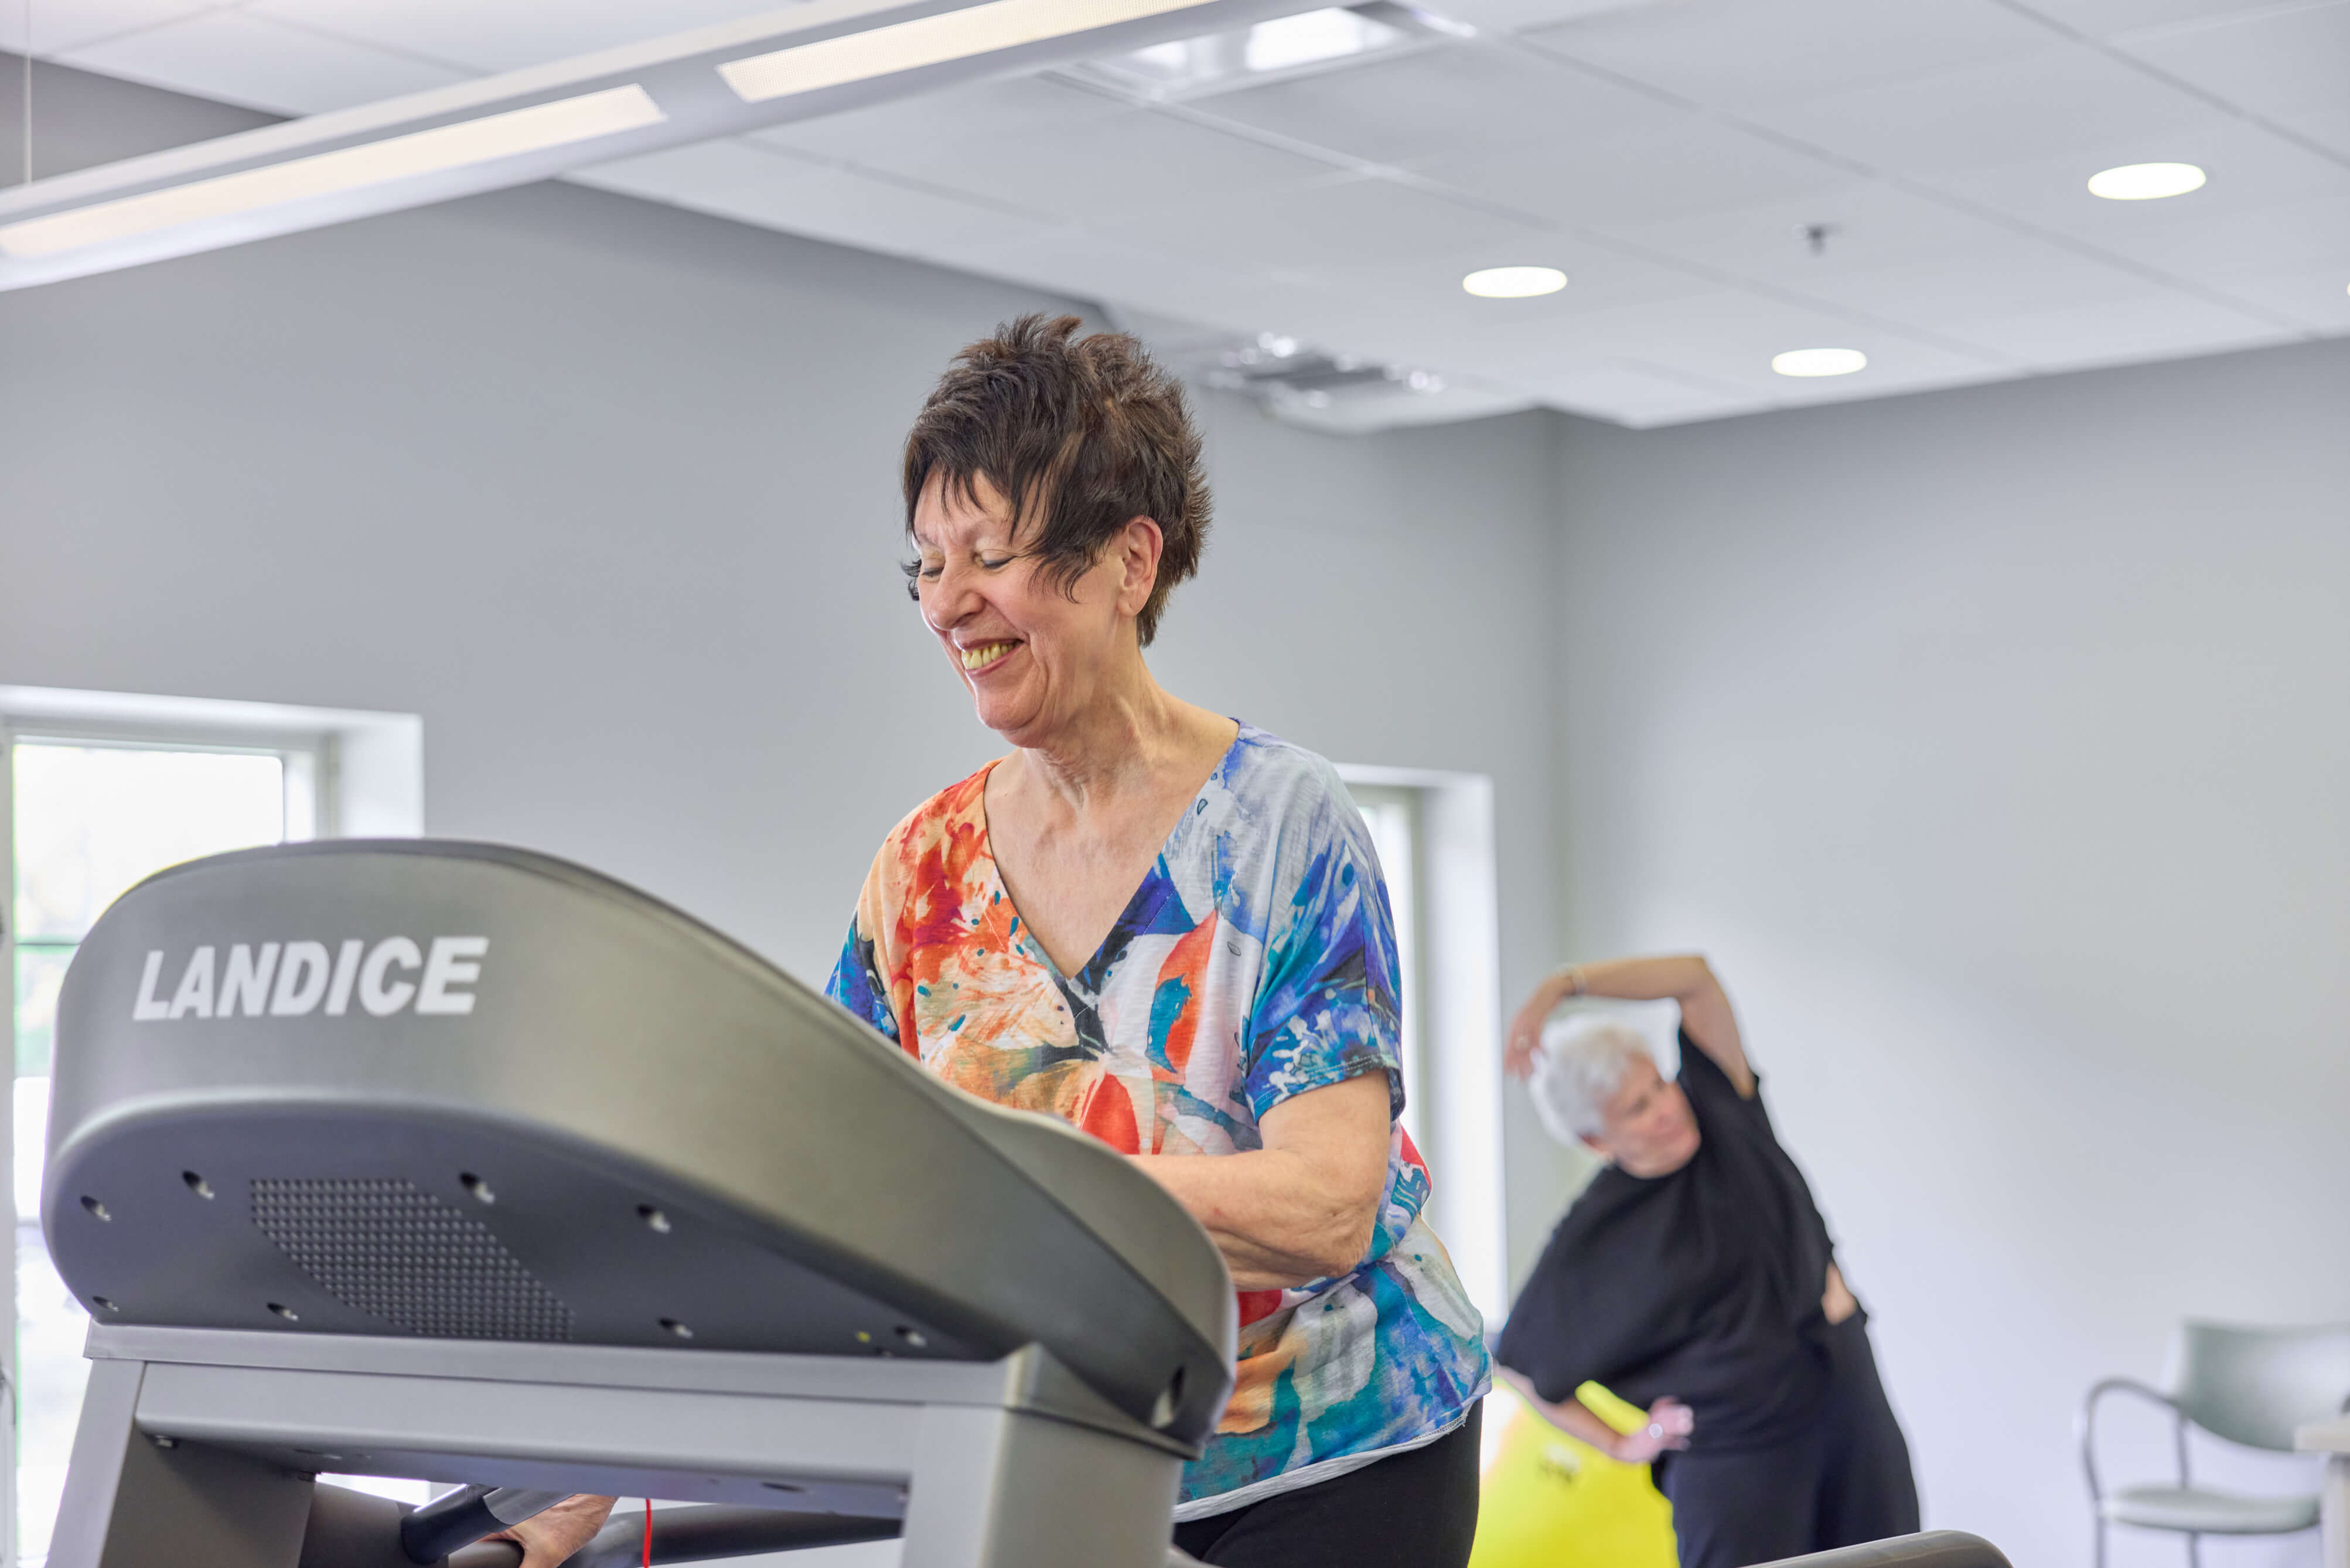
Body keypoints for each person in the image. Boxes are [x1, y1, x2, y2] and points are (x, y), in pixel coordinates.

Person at [496, 316, 1489, 1568]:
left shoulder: (1283, 824)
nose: (948, 601)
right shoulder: (922, 876)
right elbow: (810, 1194)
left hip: (1331, 1451)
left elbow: (1326, 1209)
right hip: (1064, 1442)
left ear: (1130, 562)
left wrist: (988, 1197)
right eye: (923, 562)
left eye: (990, 552)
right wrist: (590, 1471)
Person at [1493, 954, 1918, 1568]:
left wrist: (1565, 985)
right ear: (1596, 1141)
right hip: (1739, 1453)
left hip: (1846, 1395)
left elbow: (1695, 977)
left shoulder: (1723, 1113)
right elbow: (1523, 1364)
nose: (1666, 1108)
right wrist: (1623, 1442)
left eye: (1659, 1084)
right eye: (1637, 1109)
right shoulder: (1596, 1234)